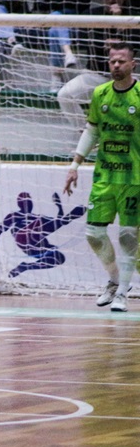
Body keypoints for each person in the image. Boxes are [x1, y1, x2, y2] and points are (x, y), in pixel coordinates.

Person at [64, 42, 140, 312]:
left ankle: (122, 294)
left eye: (121, 61)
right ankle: (116, 281)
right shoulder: (100, 94)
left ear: (133, 64)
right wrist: (74, 165)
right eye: (112, 61)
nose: (116, 65)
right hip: (104, 177)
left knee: (129, 236)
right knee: (94, 234)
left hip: (134, 178)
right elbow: (92, 131)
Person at [57, 0, 133, 131]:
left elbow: (134, 46)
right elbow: (83, 40)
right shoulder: (91, 15)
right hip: (96, 75)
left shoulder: (134, 17)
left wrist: (118, 22)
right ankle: (86, 134)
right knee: (64, 95)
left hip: (128, 78)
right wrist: (105, 42)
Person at [0, 192, 86, 278]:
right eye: (26, 200)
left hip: (32, 248)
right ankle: (69, 217)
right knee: (44, 221)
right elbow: (2, 227)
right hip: (23, 237)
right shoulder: (15, 215)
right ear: (20, 203)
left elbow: (56, 222)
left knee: (59, 258)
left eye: (29, 200)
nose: (29, 203)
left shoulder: (35, 217)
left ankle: (26, 266)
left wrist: (59, 207)